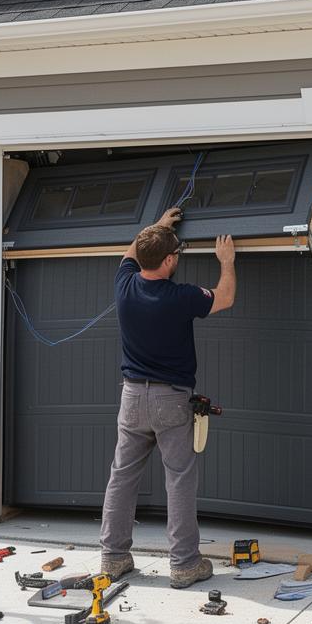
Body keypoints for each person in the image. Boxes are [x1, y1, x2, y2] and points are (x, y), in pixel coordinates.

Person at [99, 207, 236, 586]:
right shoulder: (180, 297)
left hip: (131, 398)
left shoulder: (124, 283)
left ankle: (112, 558)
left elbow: (131, 254)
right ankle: (185, 564)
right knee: (178, 479)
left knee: (122, 477)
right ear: (170, 260)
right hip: (170, 400)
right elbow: (224, 298)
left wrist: (156, 228)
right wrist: (226, 261)